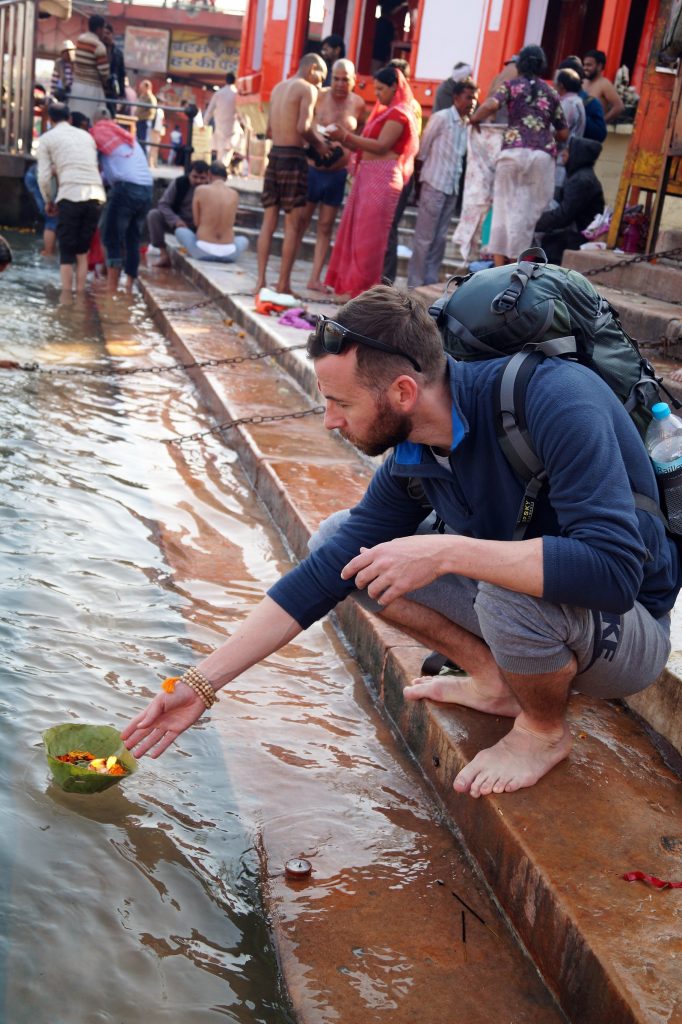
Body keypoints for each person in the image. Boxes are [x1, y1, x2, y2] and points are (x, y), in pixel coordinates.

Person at [121, 284, 679, 802]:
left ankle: (542, 730)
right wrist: (201, 685)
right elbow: (323, 577)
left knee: (505, 592)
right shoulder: (415, 453)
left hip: (628, 629)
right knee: (344, 544)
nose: (329, 422)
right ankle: (492, 680)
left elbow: (612, 571)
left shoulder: (555, 397)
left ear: (403, 391)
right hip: (530, 609)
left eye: (340, 403)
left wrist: (447, 552)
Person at [325, 65, 419, 298]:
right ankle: (353, 289)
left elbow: (381, 146)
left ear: (394, 88)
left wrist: (346, 136)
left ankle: (365, 293)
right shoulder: (385, 111)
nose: (377, 94)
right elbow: (366, 145)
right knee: (358, 236)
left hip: (383, 178)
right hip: (368, 177)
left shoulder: (400, 113)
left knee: (371, 241)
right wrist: (342, 139)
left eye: (380, 89)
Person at [469, 45, 567, 266]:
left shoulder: (510, 86)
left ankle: (499, 270)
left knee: (503, 212)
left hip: (512, 152)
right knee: (525, 218)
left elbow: (491, 105)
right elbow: (563, 132)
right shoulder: (551, 92)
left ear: (520, 65)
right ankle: (518, 269)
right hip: (542, 157)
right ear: (542, 66)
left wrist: (475, 119)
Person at [256, 53, 331, 296]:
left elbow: (268, 130)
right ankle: (283, 285)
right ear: (311, 69)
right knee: (292, 225)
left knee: (268, 223)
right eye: (322, 77)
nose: (321, 84)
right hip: (293, 158)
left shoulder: (278, 88)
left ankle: (260, 282)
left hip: (274, 156)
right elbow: (302, 127)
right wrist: (320, 144)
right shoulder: (307, 89)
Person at [298, 58, 367, 292]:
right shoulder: (318, 95)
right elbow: (304, 125)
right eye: (336, 78)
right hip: (313, 169)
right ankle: (287, 273)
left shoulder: (358, 104)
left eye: (345, 79)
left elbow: (362, 136)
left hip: (337, 173)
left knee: (326, 225)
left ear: (353, 81)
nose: (339, 83)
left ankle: (315, 277)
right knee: (301, 221)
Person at [408, 78, 478, 288]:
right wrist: (419, 187)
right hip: (433, 183)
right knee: (424, 239)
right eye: (468, 97)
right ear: (456, 97)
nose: (472, 102)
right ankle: (415, 285)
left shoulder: (468, 124)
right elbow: (422, 151)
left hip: (451, 188)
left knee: (439, 239)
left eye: (475, 98)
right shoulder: (441, 118)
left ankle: (429, 283)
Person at [37, 102, 105, 293]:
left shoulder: (47, 139)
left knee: (67, 252)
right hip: (96, 196)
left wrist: (48, 200)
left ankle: (66, 300)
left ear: (50, 120)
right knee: (82, 251)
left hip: (70, 195)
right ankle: (80, 297)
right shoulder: (87, 137)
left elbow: (43, 177)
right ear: (70, 118)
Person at [91, 111, 153, 292]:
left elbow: (94, 167)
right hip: (147, 188)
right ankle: (128, 284)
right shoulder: (126, 137)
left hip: (126, 189)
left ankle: (111, 288)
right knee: (133, 238)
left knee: (111, 238)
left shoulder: (99, 134)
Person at [382, 57, 423, 284]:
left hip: (399, 174)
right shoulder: (387, 105)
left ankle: (386, 281)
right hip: (384, 175)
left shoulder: (409, 107)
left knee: (388, 229)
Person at [535, 136, 604, 264]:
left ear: (578, 154)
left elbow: (563, 216)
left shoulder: (581, 181)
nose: (564, 154)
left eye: (568, 150)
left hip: (577, 236)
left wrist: (533, 222)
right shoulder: (580, 176)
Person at [175, 161, 249, 263]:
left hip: (201, 251)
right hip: (229, 254)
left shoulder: (200, 190)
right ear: (226, 178)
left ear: (209, 174)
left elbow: (196, 223)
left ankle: (193, 251)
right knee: (243, 240)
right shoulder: (234, 194)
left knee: (180, 231)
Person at [146, 159, 210, 267]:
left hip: (200, 226)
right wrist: (176, 220)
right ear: (189, 175)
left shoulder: (210, 189)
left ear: (207, 178)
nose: (198, 181)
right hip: (178, 222)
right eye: (195, 177)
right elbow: (163, 204)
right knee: (154, 215)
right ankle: (163, 254)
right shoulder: (179, 183)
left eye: (202, 178)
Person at [557, 56, 606, 143]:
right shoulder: (554, 98)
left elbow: (600, 134)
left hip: (575, 152)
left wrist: (578, 114)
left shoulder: (590, 103)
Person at [70, 15, 109, 120]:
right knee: (90, 120)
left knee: (75, 118)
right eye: (104, 28)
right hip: (92, 89)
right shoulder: (99, 46)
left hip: (77, 85)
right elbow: (104, 73)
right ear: (99, 29)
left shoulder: (80, 40)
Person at [554, 67, 585, 191]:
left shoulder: (568, 104)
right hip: (569, 158)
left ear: (561, 85)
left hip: (560, 160)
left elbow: (562, 134)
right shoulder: (578, 101)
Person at [204, 72, 239, 167]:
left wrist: (205, 122)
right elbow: (241, 112)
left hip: (219, 125)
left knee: (221, 149)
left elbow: (209, 110)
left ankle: (220, 168)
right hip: (232, 126)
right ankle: (221, 169)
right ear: (235, 81)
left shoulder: (218, 94)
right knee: (227, 149)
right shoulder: (236, 94)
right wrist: (247, 124)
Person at [583, 49, 624, 124]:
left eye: (589, 65)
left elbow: (619, 106)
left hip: (594, 131)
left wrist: (602, 122)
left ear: (599, 66)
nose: (585, 68)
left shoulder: (605, 84)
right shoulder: (583, 82)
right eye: (584, 65)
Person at [102, 23, 126, 118]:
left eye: (107, 33)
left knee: (110, 117)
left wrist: (121, 94)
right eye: (103, 33)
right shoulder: (98, 49)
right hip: (99, 89)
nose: (105, 36)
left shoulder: (118, 53)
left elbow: (121, 74)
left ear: (112, 35)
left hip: (112, 92)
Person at [136, 79, 157, 156]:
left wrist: (140, 115)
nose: (141, 90)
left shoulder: (151, 98)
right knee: (139, 140)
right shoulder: (142, 96)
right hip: (139, 121)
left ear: (147, 87)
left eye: (142, 88)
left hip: (145, 122)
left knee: (144, 141)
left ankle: (144, 157)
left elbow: (151, 112)